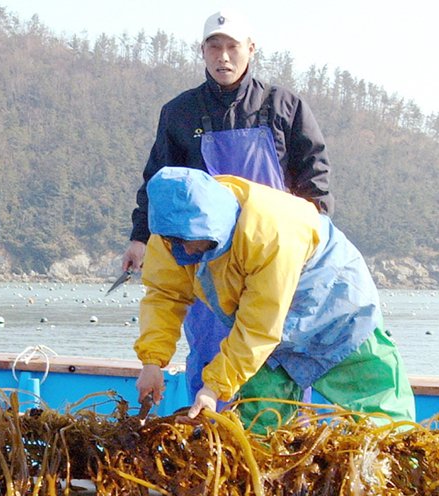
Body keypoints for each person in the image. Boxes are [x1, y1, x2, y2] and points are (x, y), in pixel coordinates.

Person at [124, 10, 333, 400]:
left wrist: (309, 243)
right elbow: (158, 182)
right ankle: (206, 430)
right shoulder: (179, 112)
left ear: (250, 50)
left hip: (272, 258)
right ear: (201, 51)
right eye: (214, 47)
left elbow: (315, 178)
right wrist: (140, 237)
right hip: (207, 266)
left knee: (276, 360)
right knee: (207, 355)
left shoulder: (284, 106)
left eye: (232, 47)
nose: (223, 57)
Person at [134, 167, 415, 434]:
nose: (187, 248)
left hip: (336, 298)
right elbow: (164, 295)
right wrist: (152, 362)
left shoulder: (268, 231)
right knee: (258, 417)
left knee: (380, 409)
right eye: (178, 241)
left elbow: (259, 327)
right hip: (267, 315)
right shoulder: (170, 236)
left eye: (197, 241)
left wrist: (213, 388)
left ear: (217, 223)